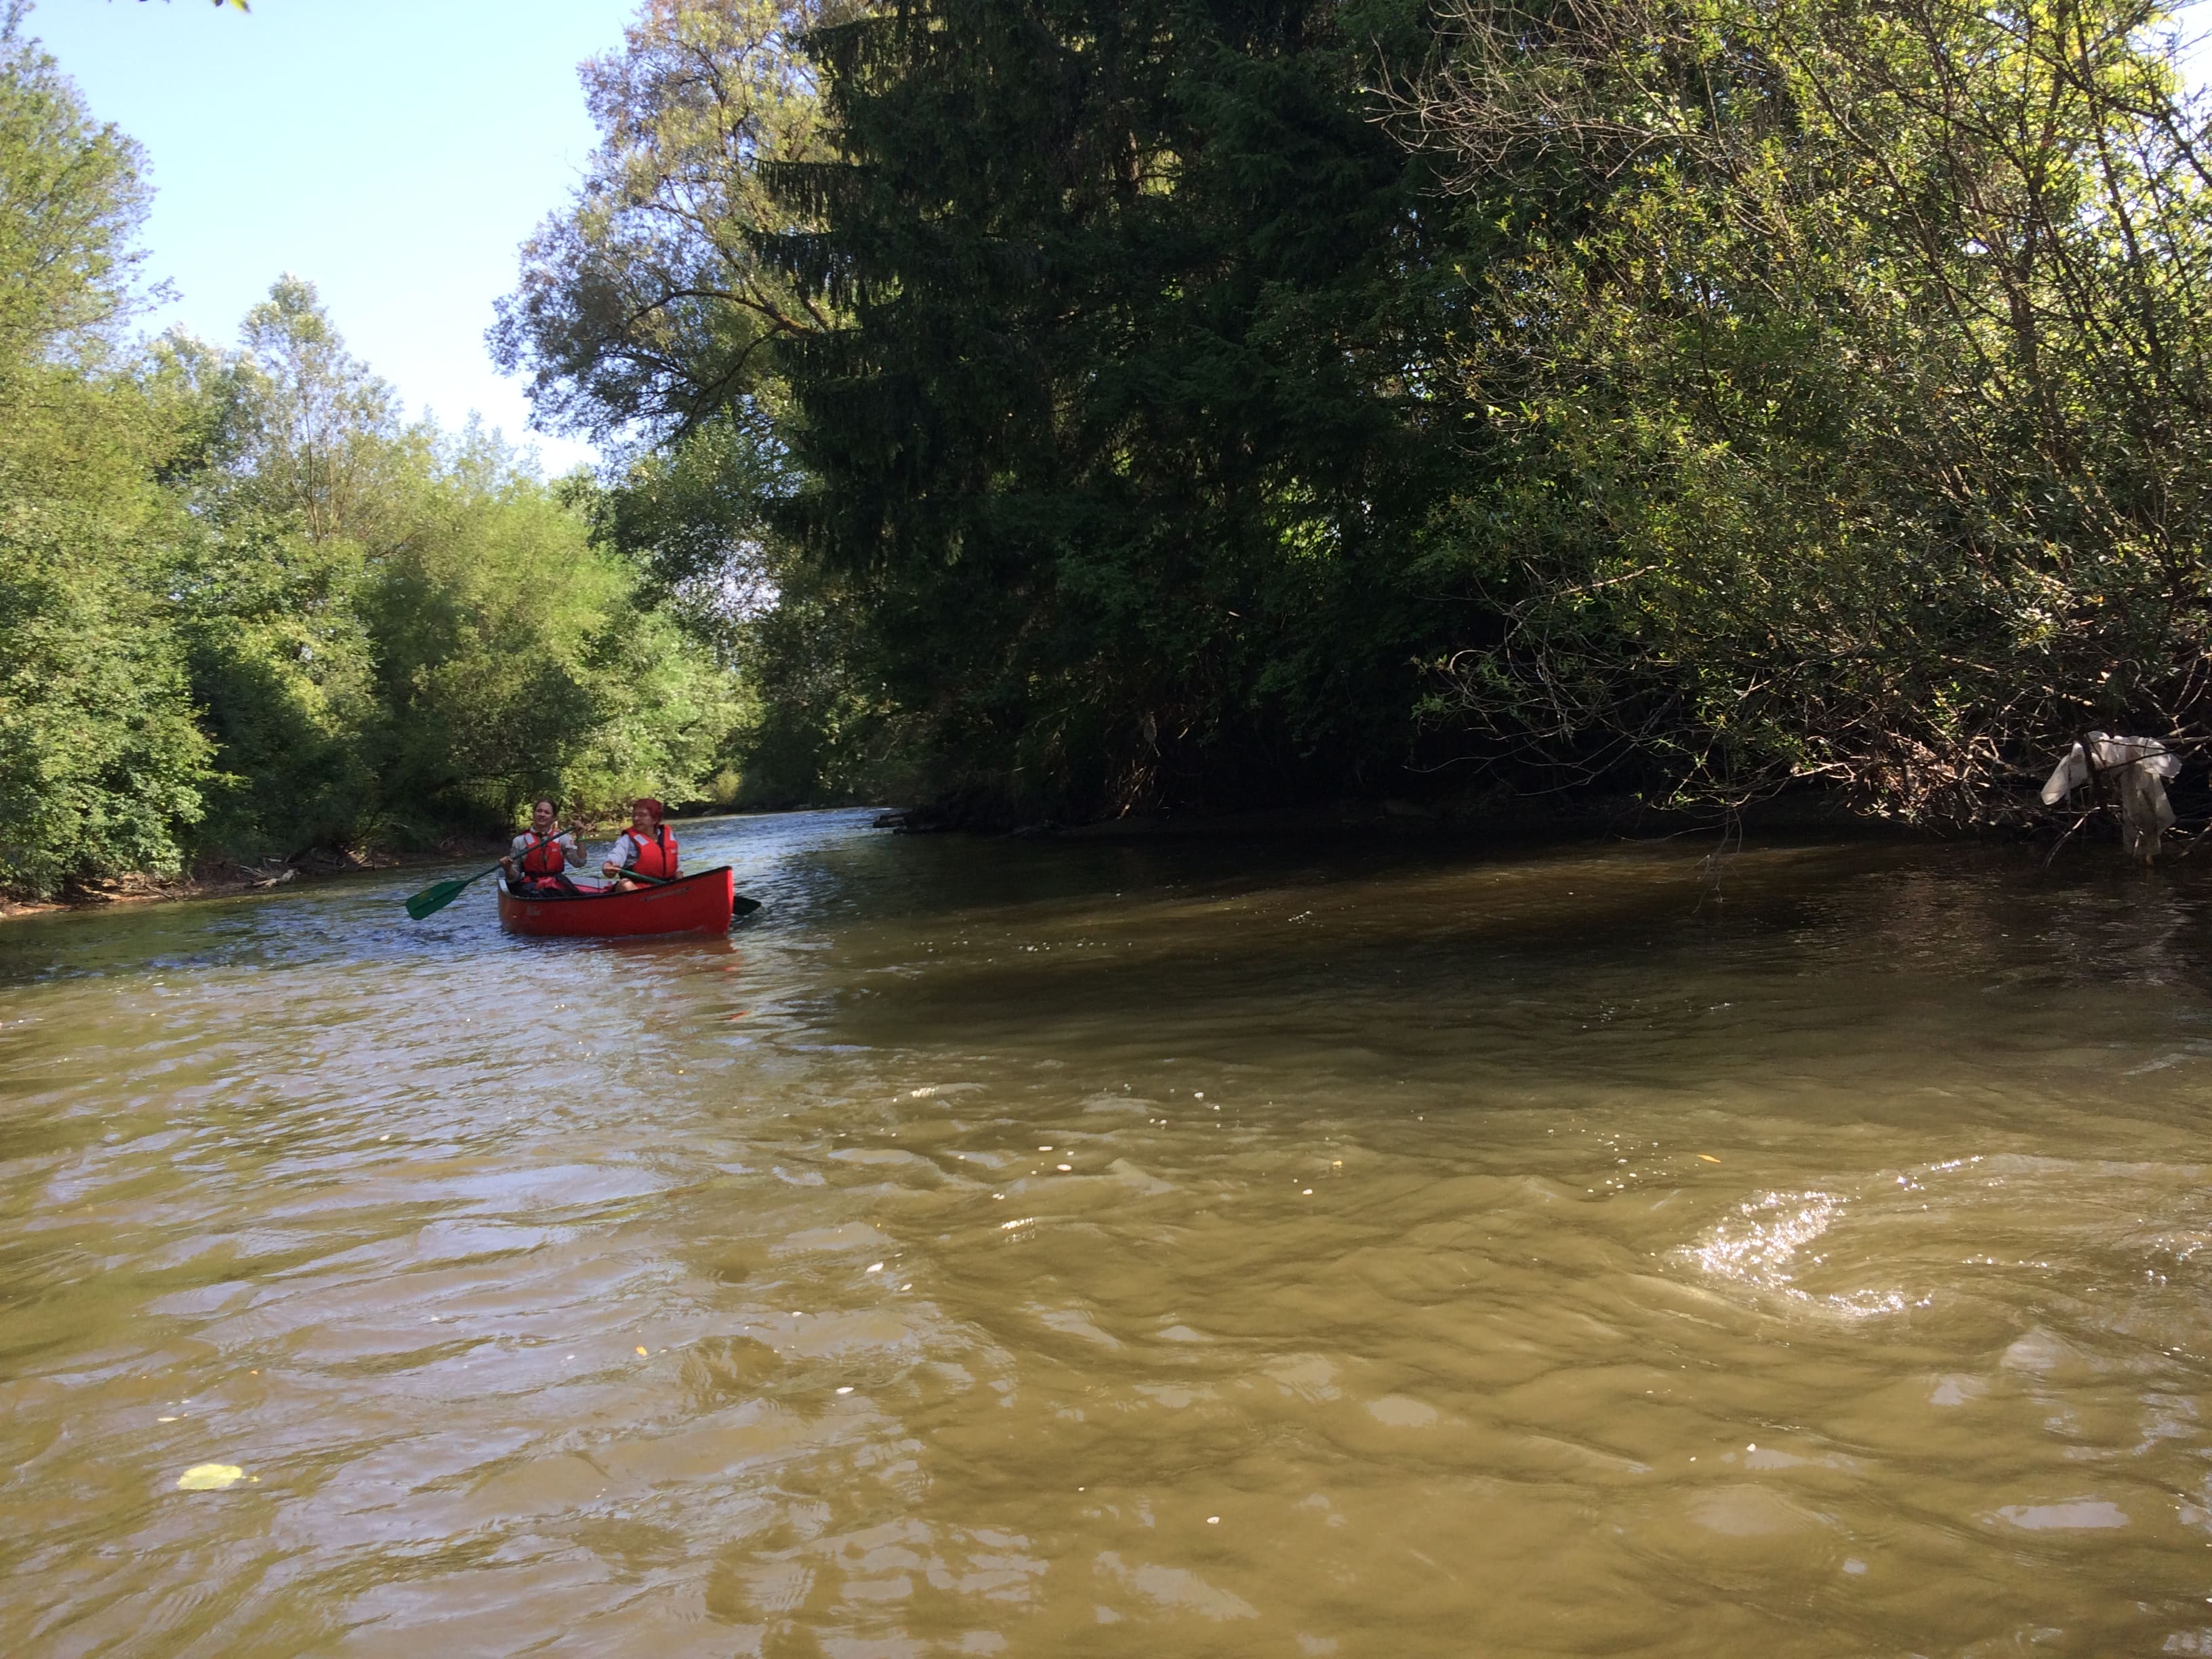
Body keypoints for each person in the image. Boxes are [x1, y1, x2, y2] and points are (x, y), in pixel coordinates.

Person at [501, 798, 586, 896]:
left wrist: (580, 837)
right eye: (539, 811)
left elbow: (580, 863)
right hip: (531, 887)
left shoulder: (563, 838)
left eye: (547, 812)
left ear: (554, 818)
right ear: (534, 814)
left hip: (557, 884)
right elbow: (514, 878)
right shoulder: (520, 841)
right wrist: (508, 869)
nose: (542, 814)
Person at [604, 796, 679, 891]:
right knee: (625, 884)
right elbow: (616, 856)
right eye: (634, 815)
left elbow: (676, 864)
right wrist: (608, 866)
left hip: (667, 887)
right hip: (638, 889)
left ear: (655, 820)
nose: (636, 819)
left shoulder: (668, 834)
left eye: (642, 815)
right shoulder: (627, 840)